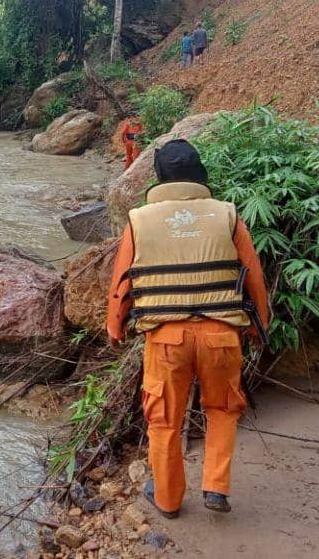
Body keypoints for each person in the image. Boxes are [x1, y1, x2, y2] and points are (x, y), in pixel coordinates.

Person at [105, 140, 270, 518]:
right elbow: (255, 279)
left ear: (159, 177)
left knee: (164, 419)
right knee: (223, 409)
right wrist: (260, 324)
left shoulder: (140, 219)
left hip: (165, 339)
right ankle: (216, 486)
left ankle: (167, 499)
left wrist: (114, 325)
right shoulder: (228, 216)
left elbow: (122, 283)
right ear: (200, 175)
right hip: (221, 335)